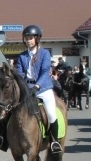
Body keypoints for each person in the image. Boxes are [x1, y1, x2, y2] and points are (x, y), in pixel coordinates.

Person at [13, 25, 62, 154]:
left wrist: (37, 86)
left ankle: (54, 141)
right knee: (12, 109)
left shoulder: (45, 53)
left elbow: (45, 72)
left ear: (37, 38)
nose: (28, 40)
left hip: (43, 88)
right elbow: (19, 73)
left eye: (30, 38)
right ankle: (2, 137)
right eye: (26, 38)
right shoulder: (22, 56)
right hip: (27, 88)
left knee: (51, 114)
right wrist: (22, 86)